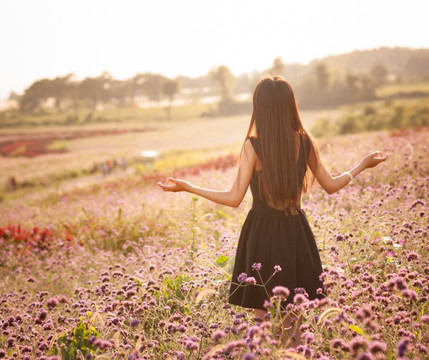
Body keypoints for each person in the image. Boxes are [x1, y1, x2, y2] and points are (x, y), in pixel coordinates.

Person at [157, 75, 387, 344]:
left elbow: (234, 198)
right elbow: (331, 185)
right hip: (296, 233)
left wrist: (188, 187)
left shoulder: (253, 146)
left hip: (262, 234)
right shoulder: (304, 142)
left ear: (260, 107)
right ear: (290, 104)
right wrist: (361, 165)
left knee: (262, 321)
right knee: (294, 319)